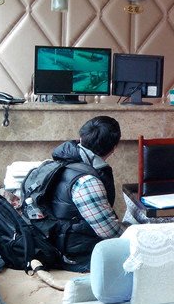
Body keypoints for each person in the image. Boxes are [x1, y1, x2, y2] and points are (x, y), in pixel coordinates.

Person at [47, 115, 125, 271]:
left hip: (54, 244)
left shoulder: (60, 161)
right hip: (77, 257)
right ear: (113, 148)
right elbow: (110, 233)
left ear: (81, 138)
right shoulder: (87, 181)